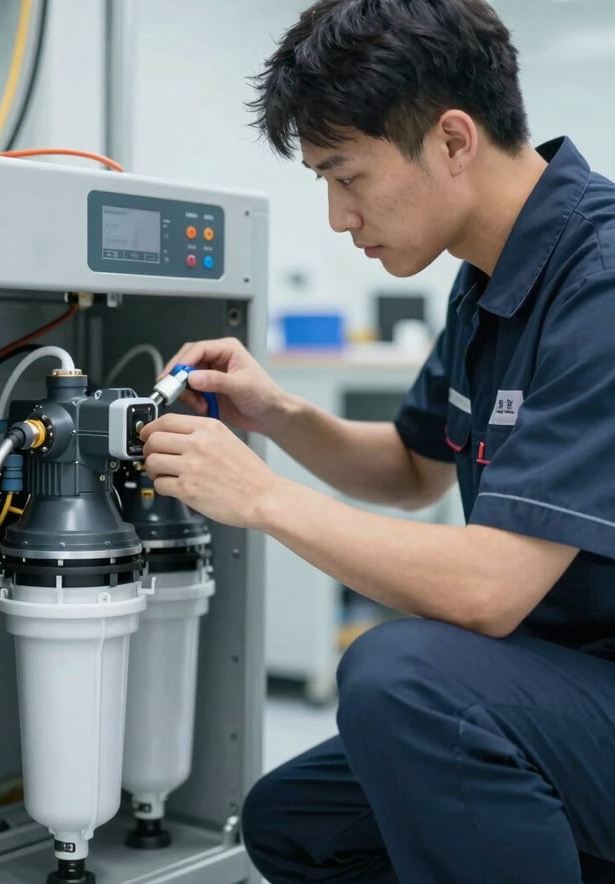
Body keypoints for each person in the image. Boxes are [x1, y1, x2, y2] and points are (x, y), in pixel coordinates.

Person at [139, 0, 615, 880]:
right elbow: (410, 470)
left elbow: (488, 593)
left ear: (453, 141)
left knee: (402, 677)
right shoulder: (488, 278)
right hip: (568, 681)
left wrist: (260, 497)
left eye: (345, 175)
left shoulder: (599, 283)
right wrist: (279, 414)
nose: (336, 216)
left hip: (590, 683)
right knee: (295, 824)